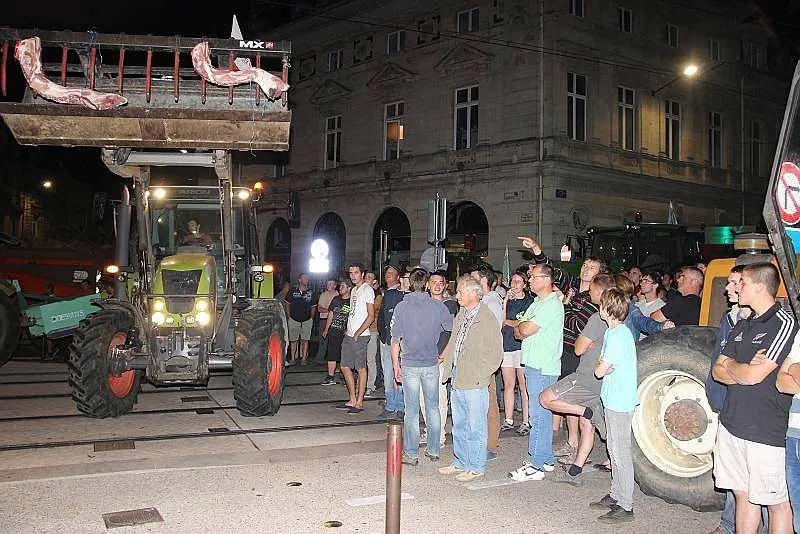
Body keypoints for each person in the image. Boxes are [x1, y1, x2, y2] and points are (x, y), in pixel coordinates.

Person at [712, 263, 797, 533]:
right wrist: (741, 367)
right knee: (743, 495)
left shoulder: (783, 323)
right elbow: (717, 370)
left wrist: (734, 366)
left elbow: (753, 376)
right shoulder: (743, 324)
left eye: (743, 283)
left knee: (776, 503)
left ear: (760, 287)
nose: (736, 288)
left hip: (764, 431)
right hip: (732, 424)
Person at [705, 265, 765, 534]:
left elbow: (748, 371)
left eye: (734, 283)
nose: (727, 288)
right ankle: (729, 524)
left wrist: (730, 369)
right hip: (725, 401)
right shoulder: (730, 318)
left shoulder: (758, 324)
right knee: (734, 476)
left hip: (747, 407)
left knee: (755, 478)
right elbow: (719, 366)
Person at [541, 273, 616, 485]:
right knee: (588, 426)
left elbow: (578, 348)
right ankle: (575, 471)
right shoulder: (619, 316)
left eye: (591, 290)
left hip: (586, 378)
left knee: (545, 399)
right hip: (603, 381)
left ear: (600, 292)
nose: (589, 293)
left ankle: (585, 411)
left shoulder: (598, 318)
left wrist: (585, 343)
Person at [438, 275, 503, 482]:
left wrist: (480, 375)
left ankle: (475, 466)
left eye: (461, 292)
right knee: (459, 425)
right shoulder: (462, 314)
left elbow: (496, 353)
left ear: (474, 294)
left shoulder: (486, 317)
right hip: (458, 376)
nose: (457, 295)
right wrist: (446, 364)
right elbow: (454, 342)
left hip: (474, 380)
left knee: (476, 426)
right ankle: (460, 462)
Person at [508, 263, 565, 481]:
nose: (529, 281)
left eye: (533, 277)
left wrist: (522, 327)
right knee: (542, 414)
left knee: (538, 415)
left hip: (543, 366)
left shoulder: (550, 305)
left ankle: (536, 464)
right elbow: (519, 329)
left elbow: (524, 328)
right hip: (533, 364)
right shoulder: (536, 303)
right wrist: (521, 327)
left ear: (546, 279)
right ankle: (546, 459)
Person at [391, 268, 453, 465]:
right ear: (426, 284)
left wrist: (396, 366)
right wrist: (442, 353)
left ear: (410, 284)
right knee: (433, 407)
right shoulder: (438, 307)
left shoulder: (401, 307)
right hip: (431, 363)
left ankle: (411, 453)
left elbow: (395, 340)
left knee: (411, 410)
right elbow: (451, 329)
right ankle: (434, 449)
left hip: (409, 364)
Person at [592, 288, 638, 524]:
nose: (599, 308)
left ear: (607, 310)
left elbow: (600, 370)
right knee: (613, 449)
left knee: (620, 454)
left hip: (620, 401)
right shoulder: (613, 332)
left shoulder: (619, 335)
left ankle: (625, 505)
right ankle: (616, 494)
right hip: (612, 398)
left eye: (602, 305)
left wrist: (602, 366)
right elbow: (603, 367)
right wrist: (603, 366)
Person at [419, 270, 457, 450]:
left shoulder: (449, 305)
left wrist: (442, 355)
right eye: (434, 282)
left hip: (438, 358)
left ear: (445, 285)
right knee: (423, 396)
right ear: (427, 284)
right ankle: (430, 430)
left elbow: (450, 333)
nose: (437, 285)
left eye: (441, 282)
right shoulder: (421, 305)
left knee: (439, 397)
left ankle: (439, 435)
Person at [470, 266, 503, 460]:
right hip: (478, 358)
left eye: (473, 279)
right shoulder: (484, 301)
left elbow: (490, 334)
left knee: (489, 402)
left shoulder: (491, 302)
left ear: (483, 281)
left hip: (485, 359)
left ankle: (490, 445)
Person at [336, 263, 375, 414]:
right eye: (351, 273)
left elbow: (371, 315)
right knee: (345, 366)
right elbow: (353, 311)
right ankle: (352, 399)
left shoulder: (367, 290)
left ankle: (359, 402)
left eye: (356, 273)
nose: (353, 276)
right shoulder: (353, 290)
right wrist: (348, 328)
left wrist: (358, 332)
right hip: (349, 334)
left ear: (362, 274)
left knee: (360, 368)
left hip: (360, 335)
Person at [500, 270, 535, 435]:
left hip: (522, 346)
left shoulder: (530, 301)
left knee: (523, 386)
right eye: (512, 281)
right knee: (508, 384)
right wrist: (505, 301)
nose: (515, 284)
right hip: (506, 345)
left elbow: (524, 323)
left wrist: (510, 322)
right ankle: (508, 419)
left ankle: (526, 421)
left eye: (519, 281)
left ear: (525, 284)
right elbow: (501, 321)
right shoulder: (507, 301)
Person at [776, 333, 800, 534]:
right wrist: (790, 368)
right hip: (794, 432)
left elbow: (789, 369)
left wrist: (794, 368)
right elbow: (781, 382)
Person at [377, 264, 405, 419]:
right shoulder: (388, 294)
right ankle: (390, 405)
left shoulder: (406, 296)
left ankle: (400, 406)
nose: (388, 275)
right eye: (386, 272)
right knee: (388, 373)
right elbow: (382, 316)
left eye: (392, 273)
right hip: (388, 340)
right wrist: (383, 335)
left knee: (400, 374)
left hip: (403, 343)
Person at [320, 279, 351, 386]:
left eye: (343, 286)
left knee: (345, 354)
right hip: (334, 330)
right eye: (340, 286)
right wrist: (326, 329)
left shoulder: (352, 301)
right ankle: (330, 376)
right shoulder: (336, 299)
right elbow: (331, 314)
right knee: (332, 353)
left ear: (349, 288)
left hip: (345, 333)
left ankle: (346, 376)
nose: (340, 288)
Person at [283, 273, 317, 366]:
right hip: (294, 319)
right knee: (293, 340)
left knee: (305, 340)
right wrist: (289, 316)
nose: (306, 280)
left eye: (307, 278)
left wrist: (311, 318)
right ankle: (293, 358)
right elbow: (287, 304)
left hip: (307, 320)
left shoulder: (311, 292)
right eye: (304, 278)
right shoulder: (292, 291)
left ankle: (304, 359)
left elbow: (313, 306)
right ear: (299, 280)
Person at [363, 271, 382, 397]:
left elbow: (371, 310)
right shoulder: (359, 292)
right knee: (361, 359)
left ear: (374, 281)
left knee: (370, 359)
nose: (367, 279)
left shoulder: (377, 296)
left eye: (370, 278)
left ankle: (370, 385)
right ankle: (362, 383)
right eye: (366, 277)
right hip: (360, 330)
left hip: (372, 330)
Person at [314, 279, 339, 364]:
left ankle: (333, 359)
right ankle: (320, 359)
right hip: (324, 320)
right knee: (323, 340)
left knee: (334, 341)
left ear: (335, 286)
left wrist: (329, 311)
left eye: (331, 284)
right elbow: (319, 309)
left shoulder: (339, 295)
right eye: (328, 284)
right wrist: (331, 311)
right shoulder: (323, 295)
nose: (329, 285)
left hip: (335, 320)